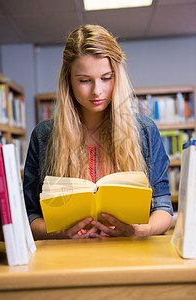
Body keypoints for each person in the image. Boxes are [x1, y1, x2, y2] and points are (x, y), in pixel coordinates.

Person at [23, 24, 173, 240]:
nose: (97, 90)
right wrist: (57, 232)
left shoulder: (145, 131)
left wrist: (141, 229)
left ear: (117, 77)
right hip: (66, 258)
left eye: (106, 78)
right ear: (68, 81)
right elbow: (30, 215)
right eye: (84, 80)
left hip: (129, 254)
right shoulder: (44, 136)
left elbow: (163, 208)